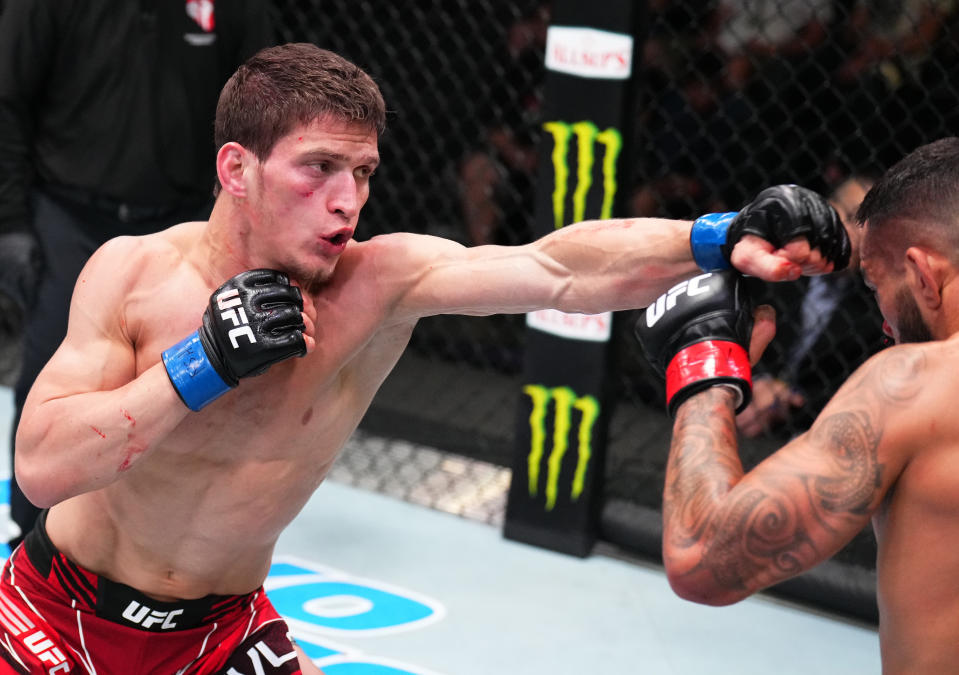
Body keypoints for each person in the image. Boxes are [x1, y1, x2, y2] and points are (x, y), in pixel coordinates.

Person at [7, 43, 848, 674]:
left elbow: (560, 267)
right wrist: (201, 364)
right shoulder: (136, 273)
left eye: (363, 172)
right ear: (237, 168)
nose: (347, 199)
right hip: (58, 613)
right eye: (319, 169)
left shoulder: (382, 283)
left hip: (222, 631)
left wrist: (717, 235)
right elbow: (40, 468)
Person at [635, 137, 959, 672]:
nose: (883, 325)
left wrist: (703, 370)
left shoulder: (916, 386)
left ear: (924, 274)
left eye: (877, 287)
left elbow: (700, 556)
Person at [0, 0, 274, 548]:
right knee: (54, 371)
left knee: (196, 378)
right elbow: (7, 98)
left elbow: (267, 108)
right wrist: (10, 222)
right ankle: (34, 539)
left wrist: (245, 220)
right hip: (67, 211)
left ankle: (164, 540)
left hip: (183, 217)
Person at [736, 173, 883, 437]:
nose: (855, 237)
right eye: (849, 217)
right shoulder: (765, 259)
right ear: (823, 210)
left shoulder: (875, 312)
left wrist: (786, 399)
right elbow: (730, 326)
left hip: (799, 427)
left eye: (870, 231)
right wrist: (756, 382)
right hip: (737, 384)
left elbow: (847, 389)